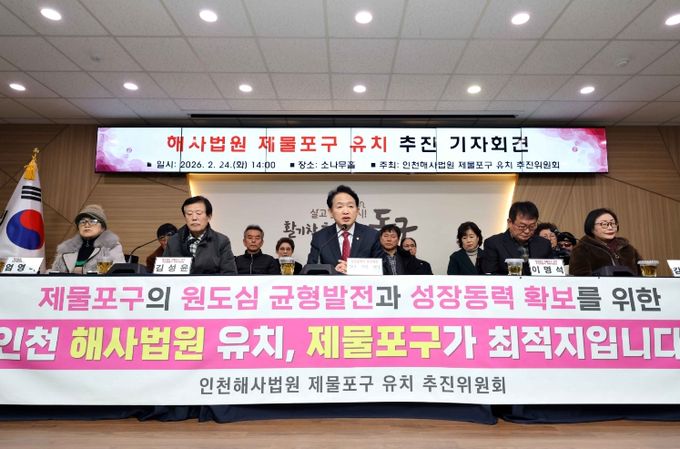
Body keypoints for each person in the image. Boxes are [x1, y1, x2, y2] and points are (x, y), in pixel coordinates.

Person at [307, 185, 383, 274]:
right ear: (331, 212)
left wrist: (354, 269)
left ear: (357, 211)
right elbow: (310, 270)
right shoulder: (320, 238)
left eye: (350, 206)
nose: (346, 211)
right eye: (340, 207)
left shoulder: (372, 236)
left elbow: (382, 269)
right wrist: (333, 272)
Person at [163, 195, 237, 274]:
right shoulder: (173, 241)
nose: (194, 218)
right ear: (185, 217)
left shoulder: (221, 241)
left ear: (209, 217)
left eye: (198, 213)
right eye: (189, 214)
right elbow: (163, 273)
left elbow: (229, 274)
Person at [480, 201, 553, 275]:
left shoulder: (544, 244)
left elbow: (551, 273)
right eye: (522, 226)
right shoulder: (494, 243)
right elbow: (490, 275)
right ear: (510, 222)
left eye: (532, 226)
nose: (527, 231)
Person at [50, 204, 125, 273]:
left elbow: (117, 273)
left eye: (93, 221)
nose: (86, 225)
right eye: (82, 221)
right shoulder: (66, 250)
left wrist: (83, 271)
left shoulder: (111, 246)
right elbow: (54, 275)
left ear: (103, 227)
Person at [569, 208, 642, 276]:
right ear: (591, 228)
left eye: (612, 223)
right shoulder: (582, 249)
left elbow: (642, 274)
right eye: (604, 224)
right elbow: (580, 279)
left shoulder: (628, 249)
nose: (610, 227)